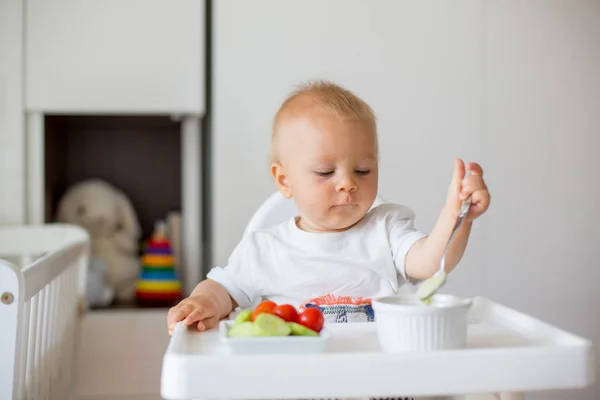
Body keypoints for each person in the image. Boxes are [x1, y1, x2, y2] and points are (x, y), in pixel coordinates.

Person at [167, 80, 490, 335]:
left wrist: (458, 215)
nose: (348, 183)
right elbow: (224, 289)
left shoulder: (387, 228)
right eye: (325, 172)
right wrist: (201, 302)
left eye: (363, 170)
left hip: (378, 379)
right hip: (301, 382)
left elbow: (431, 264)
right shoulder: (264, 249)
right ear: (284, 180)